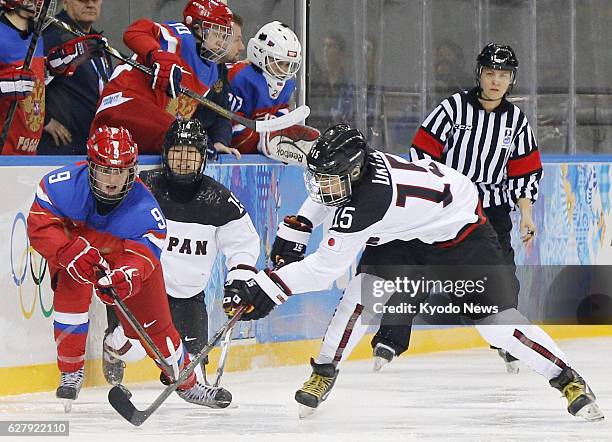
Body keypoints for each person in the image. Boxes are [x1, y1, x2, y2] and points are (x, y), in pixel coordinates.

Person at [222, 124, 603, 422]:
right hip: (411, 227)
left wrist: (268, 286)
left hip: (462, 233)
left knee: (497, 324)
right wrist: (299, 225)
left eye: (330, 178)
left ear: (354, 171)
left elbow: (324, 269)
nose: (322, 186)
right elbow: (329, 192)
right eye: (321, 177)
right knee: (363, 293)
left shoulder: (370, 200)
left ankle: (568, 378)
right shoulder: (356, 171)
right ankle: (324, 371)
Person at [26, 125, 231, 411]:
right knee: (69, 301)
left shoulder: (145, 209)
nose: (112, 180)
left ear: (132, 171)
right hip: (77, 251)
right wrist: (69, 251)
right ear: (90, 167)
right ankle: (70, 371)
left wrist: (125, 277)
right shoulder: (62, 185)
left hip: (121, 258)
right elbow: (39, 225)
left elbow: (143, 257)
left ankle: (187, 382)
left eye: (120, 171)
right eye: (105, 170)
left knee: (156, 327)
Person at [372, 43, 542, 373]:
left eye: (503, 75)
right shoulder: (452, 109)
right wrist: (433, 195)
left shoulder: (517, 122)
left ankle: (507, 341)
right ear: (479, 74)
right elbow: (422, 150)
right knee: (418, 268)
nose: (496, 81)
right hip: (445, 206)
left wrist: (526, 214)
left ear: (512, 80)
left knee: (503, 276)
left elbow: (524, 169)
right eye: (490, 73)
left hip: (490, 212)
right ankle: (389, 339)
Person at [102, 119, 259, 396]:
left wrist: (240, 279)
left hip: (188, 298)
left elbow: (243, 243)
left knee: (192, 375)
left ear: (202, 158)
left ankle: (182, 376)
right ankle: (113, 348)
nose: (183, 161)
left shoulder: (218, 199)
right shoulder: (143, 188)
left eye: (191, 154)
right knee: (133, 349)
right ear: (165, 153)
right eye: (177, 152)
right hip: (143, 292)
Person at [91, 0, 239, 157]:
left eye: (224, 36)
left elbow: (216, 115)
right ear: (197, 27)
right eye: (217, 33)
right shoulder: (181, 36)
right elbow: (135, 31)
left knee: (192, 146)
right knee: (188, 139)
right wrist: (158, 55)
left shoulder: (212, 72)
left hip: (152, 126)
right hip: (122, 106)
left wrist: (217, 140)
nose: (222, 41)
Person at [0, 0, 104, 154]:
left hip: (29, 153)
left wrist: (56, 66)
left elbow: (34, 86)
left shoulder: (37, 36)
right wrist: (4, 86)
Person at [228, 20, 319, 161]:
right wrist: (262, 139)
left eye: (288, 64)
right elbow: (230, 126)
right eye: (279, 62)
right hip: (236, 155)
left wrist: (284, 130)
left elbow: (282, 111)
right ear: (259, 53)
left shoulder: (287, 83)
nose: (284, 70)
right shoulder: (240, 76)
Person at [39, 0, 112, 155]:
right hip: (59, 148)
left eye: (95, 0)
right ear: (65, 3)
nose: (90, 5)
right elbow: (28, 82)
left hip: (91, 145)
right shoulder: (52, 35)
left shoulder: (97, 41)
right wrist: (43, 120)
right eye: (83, 0)